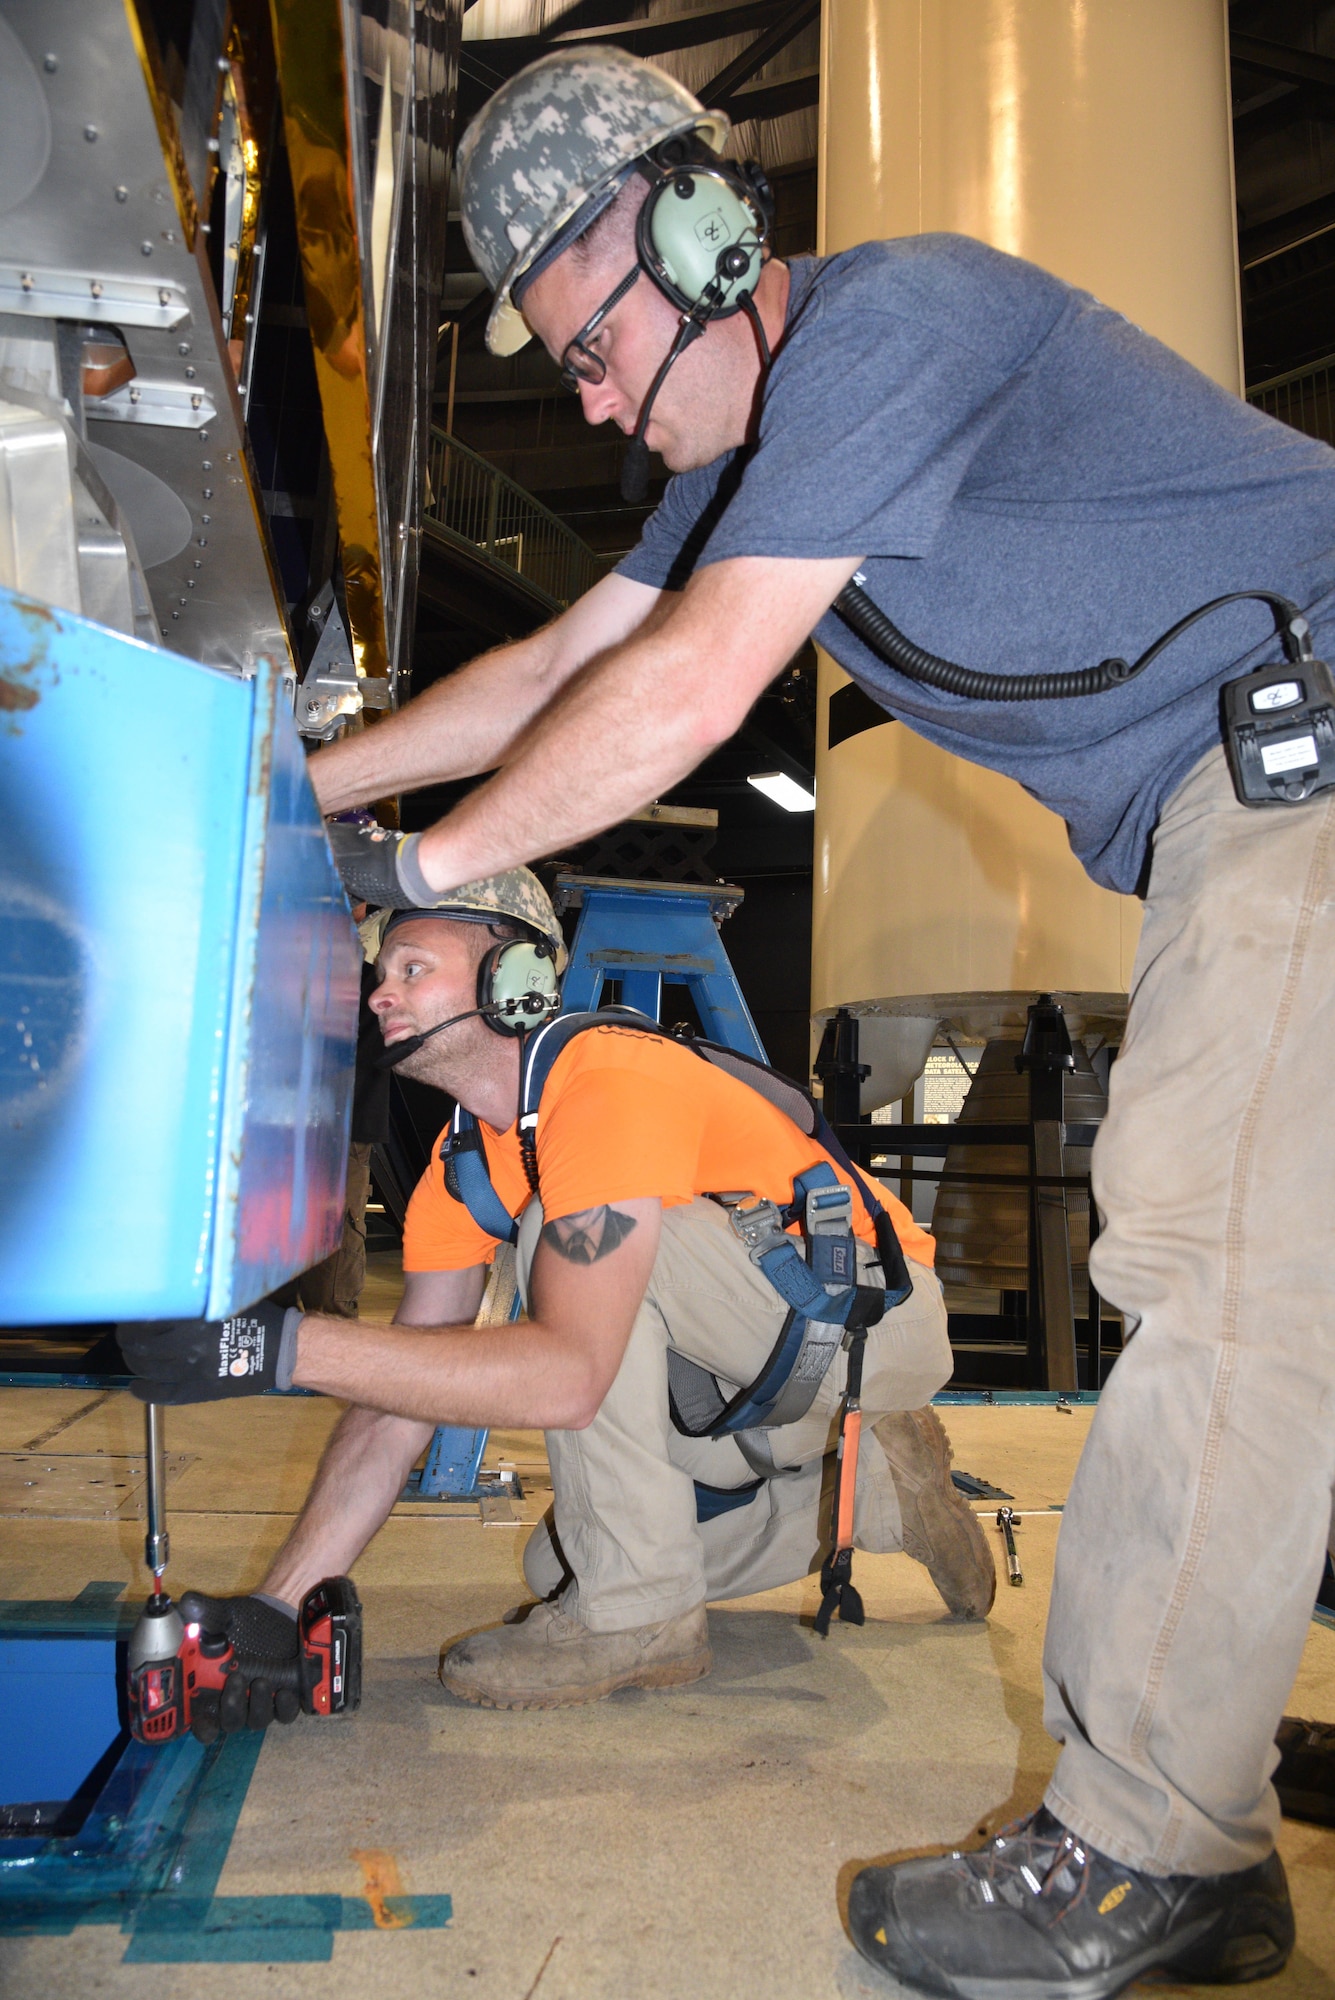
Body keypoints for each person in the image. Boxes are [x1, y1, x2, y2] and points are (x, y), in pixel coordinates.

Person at [302, 47, 1335, 1998]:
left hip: (1305, 750)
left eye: (584, 347)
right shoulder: (758, 477)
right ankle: (1208, 1822)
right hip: (1255, 778)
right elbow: (558, 658)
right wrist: (317, 791)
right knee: (1290, 1273)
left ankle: (1141, 1851)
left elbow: (678, 695)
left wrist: (427, 876)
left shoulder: (890, 328)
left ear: (691, 229)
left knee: (1200, 1236)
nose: (591, 403)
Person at [120, 867, 994, 1717]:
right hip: (766, 1368)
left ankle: (639, 1618)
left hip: (871, 1319)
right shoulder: (460, 1172)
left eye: (413, 968)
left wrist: (279, 1348)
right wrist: (280, 1606)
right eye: (380, 976)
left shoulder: (606, 1080)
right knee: (560, 1565)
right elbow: (398, 1401)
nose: (382, 994)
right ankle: (878, 1490)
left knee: (556, 1246)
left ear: (520, 978)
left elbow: (567, 1376)